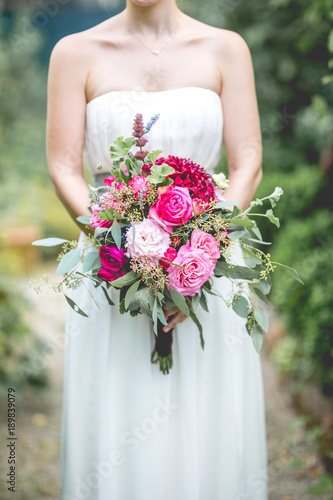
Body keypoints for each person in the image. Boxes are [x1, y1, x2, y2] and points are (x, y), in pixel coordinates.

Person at [47, 1, 267, 498]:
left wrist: (203, 247)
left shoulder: (226, 49)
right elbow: (64, 166)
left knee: (208, 414)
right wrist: (119, 243)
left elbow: (249, 158)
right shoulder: (73, 52)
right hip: (113, 271)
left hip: (209, 265)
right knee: (120, 406)